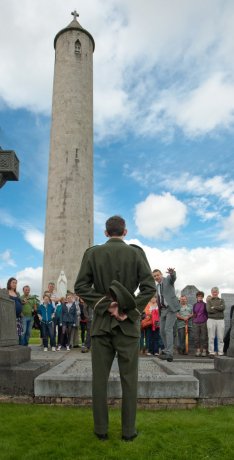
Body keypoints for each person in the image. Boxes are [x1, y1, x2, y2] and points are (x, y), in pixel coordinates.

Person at [74, 215, 155, 441]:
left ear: (106, 232)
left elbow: (80, 286)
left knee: (99, 380)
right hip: (128, 327)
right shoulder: (136, 254)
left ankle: (101, 431)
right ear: (125, 232)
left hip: (101, 326)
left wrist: (107, 306)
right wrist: (127, 309)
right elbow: (149, 288)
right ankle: (129, 432)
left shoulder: (93, 253)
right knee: (130, 381)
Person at [153, 268, 180, 362]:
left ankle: (169, 353)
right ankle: (167, 349)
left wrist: (172, 273)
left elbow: (173, 278)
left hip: (171, 308)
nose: (156, 277)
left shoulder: (168, 279)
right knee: (161, 331)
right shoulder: (157, 286)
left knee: (168, 329)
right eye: (155, 276)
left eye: (157, 275)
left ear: (161, 274)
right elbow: (159, 298)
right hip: (163, 310)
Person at [206, 287, 225, 358]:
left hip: (220, 320)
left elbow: (223, 308)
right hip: (211, 320)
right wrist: (218, 308)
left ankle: (220, 352)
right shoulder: (209, 301)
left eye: (216, 292)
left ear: (218, 292)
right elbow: (209, 310)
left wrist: (214, 307)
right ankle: (211, 352)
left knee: (220, 337)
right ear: (211, 292)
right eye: (213, 292)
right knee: (211, 337)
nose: (215, 293)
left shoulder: (222, 300)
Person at [7, 277, 23, 344]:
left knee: (18, 333)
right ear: (9, 283)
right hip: (10, 316)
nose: (14, 284)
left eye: (16, 283)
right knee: (10, 332)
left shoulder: (17, 293)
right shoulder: (6, 292)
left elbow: (19, 303)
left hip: (18, 317)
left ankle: (17, 345)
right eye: (13, 283)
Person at [193, 291, 208, 357]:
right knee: (196, 337)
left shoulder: (205, 304)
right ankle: (198, 350)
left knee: (204, 337)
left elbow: (207, 313)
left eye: (201, 296)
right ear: (196, 297)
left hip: (203, 322)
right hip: (196, 323)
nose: (200, 297)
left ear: (202, 297)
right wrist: (195, 318)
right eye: (198, 296)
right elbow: (194, 313)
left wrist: (204, 318)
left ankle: (204, 350)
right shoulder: (194, 305)